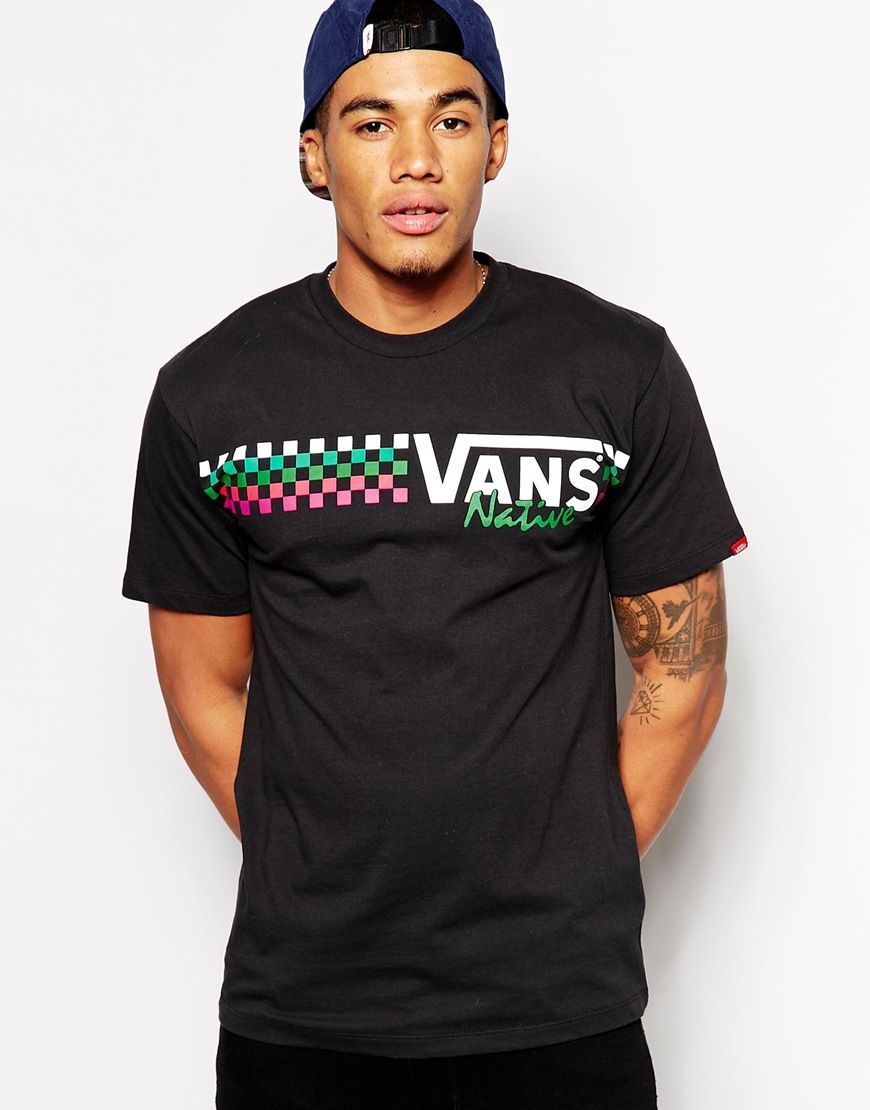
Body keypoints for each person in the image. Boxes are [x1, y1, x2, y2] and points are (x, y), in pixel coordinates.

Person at [121, 1, 750, 1106]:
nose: (416, 159)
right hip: (304, 1014)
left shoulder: (616, 369)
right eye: (372, 124)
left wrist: (577, 868)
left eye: (451, 120)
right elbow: (204, 690)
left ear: (494, 145)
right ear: (314, 155)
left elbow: (684, 668)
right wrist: (321, 868)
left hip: (560, 1015)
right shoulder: (213, 396)